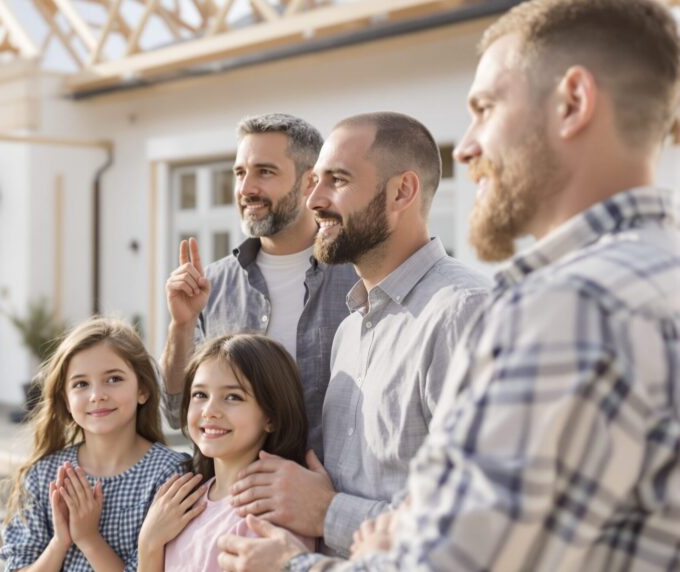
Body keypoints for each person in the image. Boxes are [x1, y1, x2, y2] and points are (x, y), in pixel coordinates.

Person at [217, 0, 680, 570]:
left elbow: (457, 561)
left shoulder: (562, 308)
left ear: (573, 102)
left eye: (484, 108)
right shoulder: (652, 278)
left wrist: (291, 560)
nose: (465, 148)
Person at [227, 112, 491, 558]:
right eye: (315, 181)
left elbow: (477, 523)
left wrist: (327, 511)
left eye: (338, 180)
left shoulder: (461, 314)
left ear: (402, 191)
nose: (313, 200)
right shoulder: (350, 329)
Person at [162, 113, 359, 458]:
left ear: (309, 182)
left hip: (326, 498)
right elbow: (174, 409)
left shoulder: (359, 279)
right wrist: (181, 326)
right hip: (233, 500)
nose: (245, 189)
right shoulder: (212, 284)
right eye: (240, 173)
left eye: (264, 172)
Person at [0, 317, 188, 571]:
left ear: (142, 389)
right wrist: (60, 541)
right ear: (66, 400)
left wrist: (88, 538)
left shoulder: (170, 476)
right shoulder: (44, 476)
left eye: (113, 379)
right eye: (81, 384)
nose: (97, 395)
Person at [137, 334, 316, 571]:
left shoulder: (271, 513)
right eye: (200, 394)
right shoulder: (179, 501)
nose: (210, 411)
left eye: (233, 397)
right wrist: (148, 544)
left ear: (271, 417)